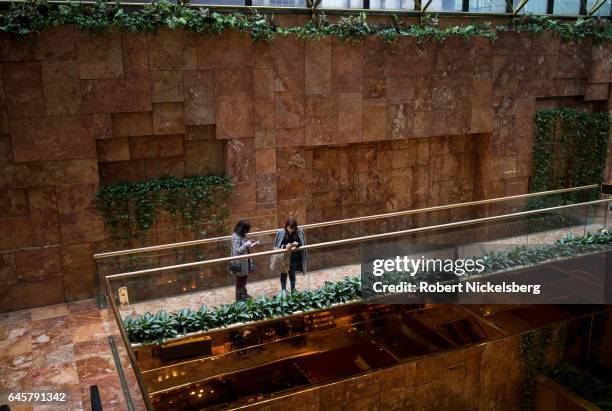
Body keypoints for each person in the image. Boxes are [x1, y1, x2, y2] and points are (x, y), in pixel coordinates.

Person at [273, 218, 308, 294]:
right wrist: (285, 246)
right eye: (289, 228)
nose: (291, 230)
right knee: (283, 274)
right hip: (284, 257)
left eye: (293, 229)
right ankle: (283, 290)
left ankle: (293, 289)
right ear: (286, 226)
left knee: (292, 274)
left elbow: (302, 243)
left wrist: (297, 245)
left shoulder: (299, 232)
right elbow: (277, 245)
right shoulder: (281, 232)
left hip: (294, 257)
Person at [230, 220, 259, 301]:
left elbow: (241, 245)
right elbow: (237, 250)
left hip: (244, 261)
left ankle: (244, 294)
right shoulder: (236, 237)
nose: (247, 232)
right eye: (246, 230)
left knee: (244, 278)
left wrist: (248, 241)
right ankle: (239, 298)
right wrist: (246, 244)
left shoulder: (240, 235)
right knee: (240, 280)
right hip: (240, 262)